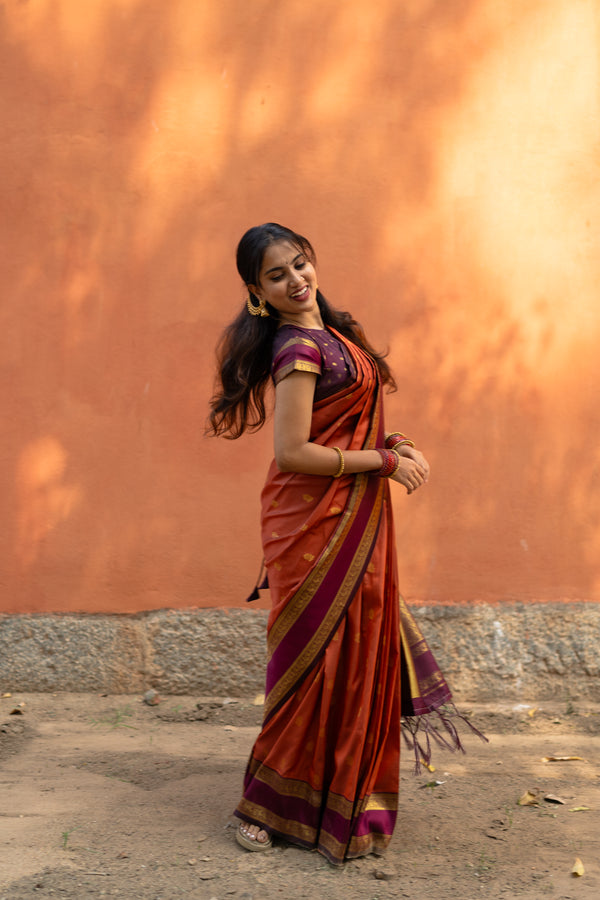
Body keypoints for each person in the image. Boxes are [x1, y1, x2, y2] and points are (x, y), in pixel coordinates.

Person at [208, 223, 484, 867]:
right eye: (276, 275)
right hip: (311, 522)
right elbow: (292, 452)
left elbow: (353, 418)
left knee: (356, 647)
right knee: (311, 662)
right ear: (258, 292)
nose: (295, 280)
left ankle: (339, 800)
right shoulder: (296, 351)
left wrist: (391, 444)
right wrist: (382, 465)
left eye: (300, 264)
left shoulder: (338, 333)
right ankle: (263, 804)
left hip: (353, 513)